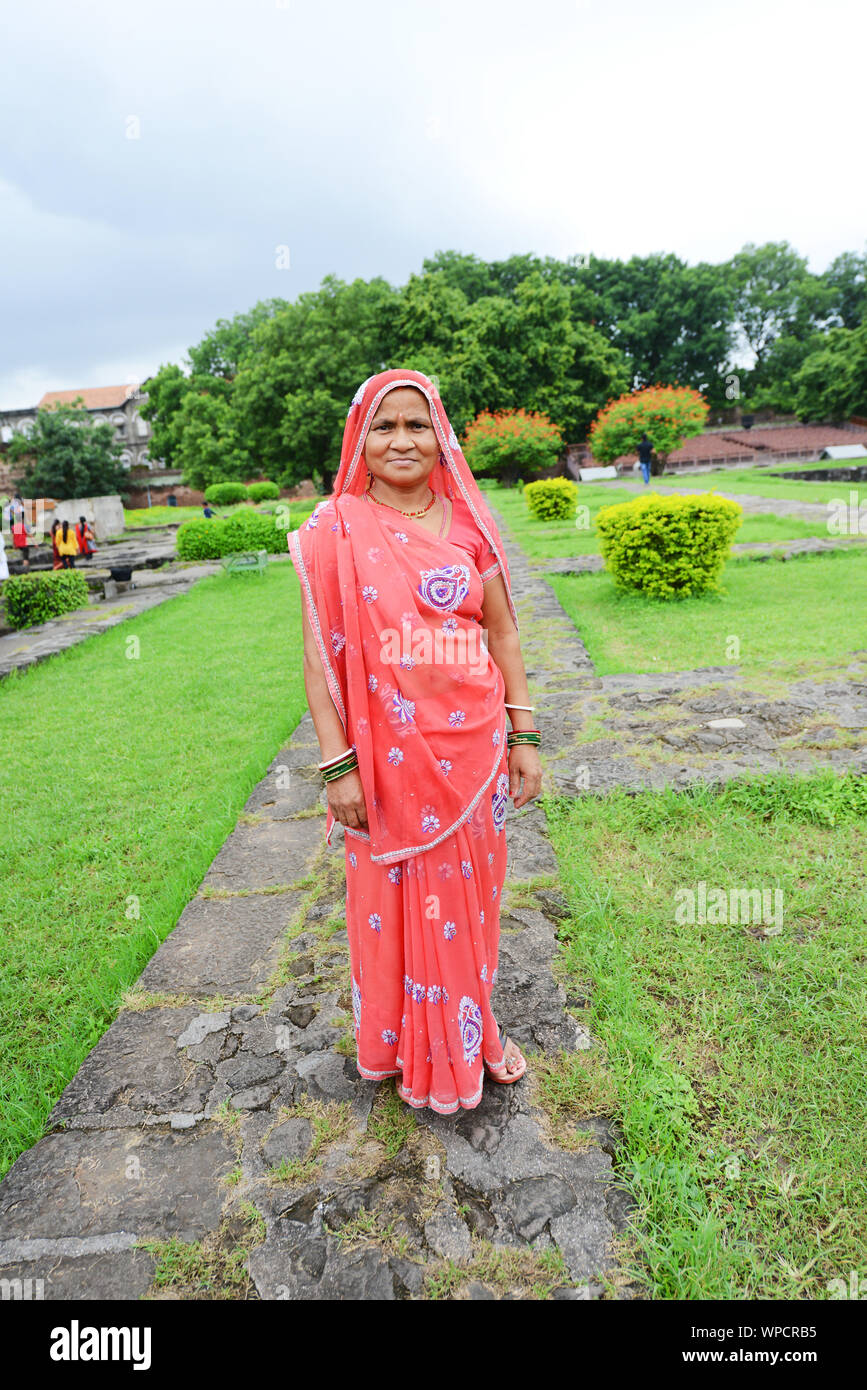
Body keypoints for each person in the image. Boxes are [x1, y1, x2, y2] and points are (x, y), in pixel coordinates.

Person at [287, 368, 543, 1116]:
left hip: (474, 751)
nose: (402, 440)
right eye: (384, 425)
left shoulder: (469, 527)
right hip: (384, 761)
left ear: (441, 437)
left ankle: (470, 1034)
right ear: (358, 439)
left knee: (471, 904)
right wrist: (338, 767)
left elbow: (501, 632)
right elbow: (318, 659)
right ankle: (404, 1044)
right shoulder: (333, 530)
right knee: (390, 907)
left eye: (416, 424)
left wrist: (522, 733)